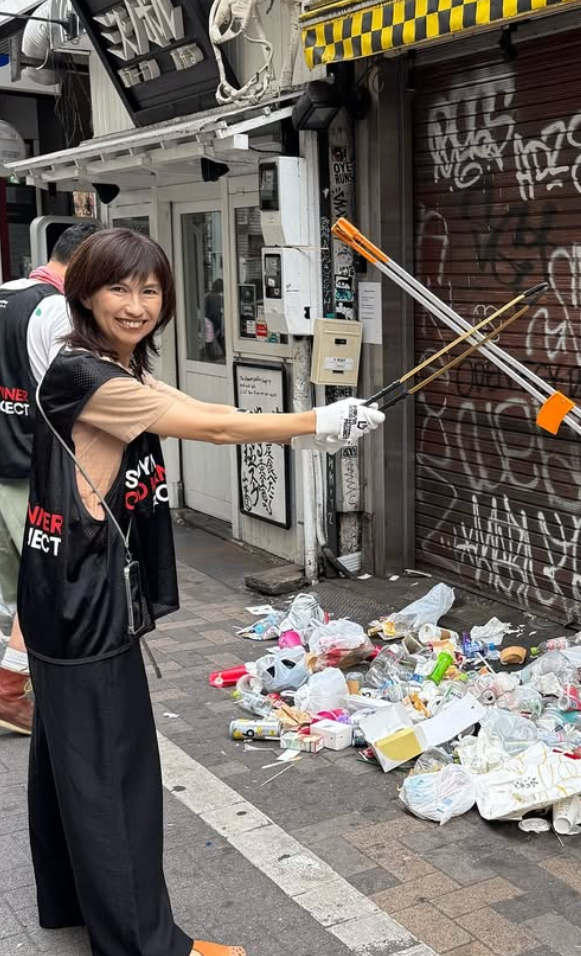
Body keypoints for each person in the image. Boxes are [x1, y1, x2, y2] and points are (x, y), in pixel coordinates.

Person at [18, 228, 385, 956]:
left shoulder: (96, 363)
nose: (136, 304)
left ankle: (70, 904)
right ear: (83, 290)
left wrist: (311, 434)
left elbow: (183, 403)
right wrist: (318, 421)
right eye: (118, 288)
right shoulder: (93, 379)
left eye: (150, 290)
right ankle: (147, 947)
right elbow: (215, 426)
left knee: (67, 760)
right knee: (116, 779)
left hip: (58, 591)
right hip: (86, 602)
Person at [0, 220, 101, 734]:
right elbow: (70, 394)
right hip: (27, 464)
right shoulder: (56, 309)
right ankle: (13, 686)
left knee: (11, 588)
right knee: (44, 581)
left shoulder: (7, 292)